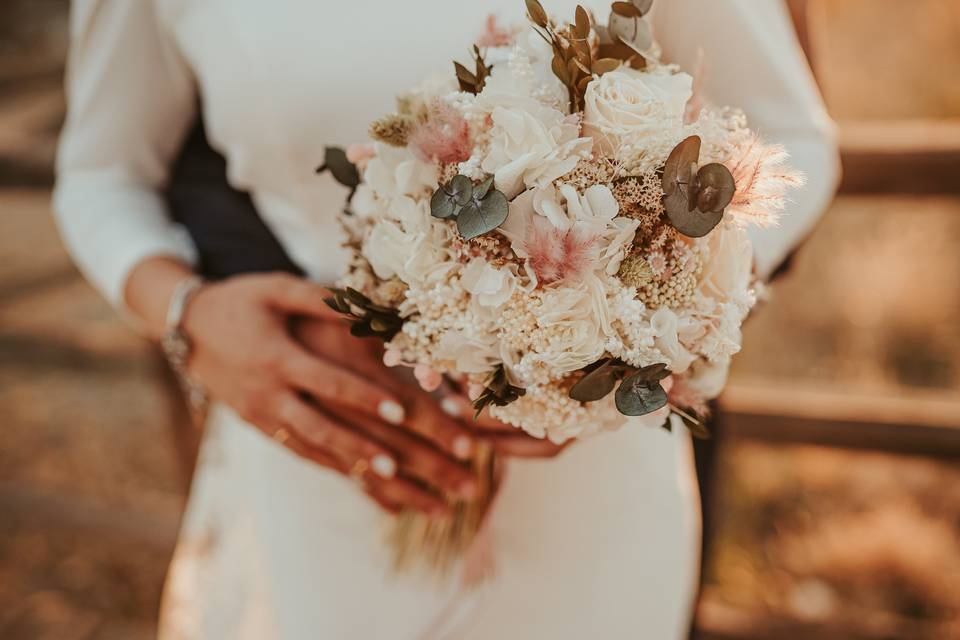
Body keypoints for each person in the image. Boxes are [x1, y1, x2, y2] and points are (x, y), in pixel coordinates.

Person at [52, 1, 839, 637]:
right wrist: (186, 311)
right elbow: (100, 174)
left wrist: (662, 309)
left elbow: (792, 134)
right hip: (329, 451)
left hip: (592, 476)